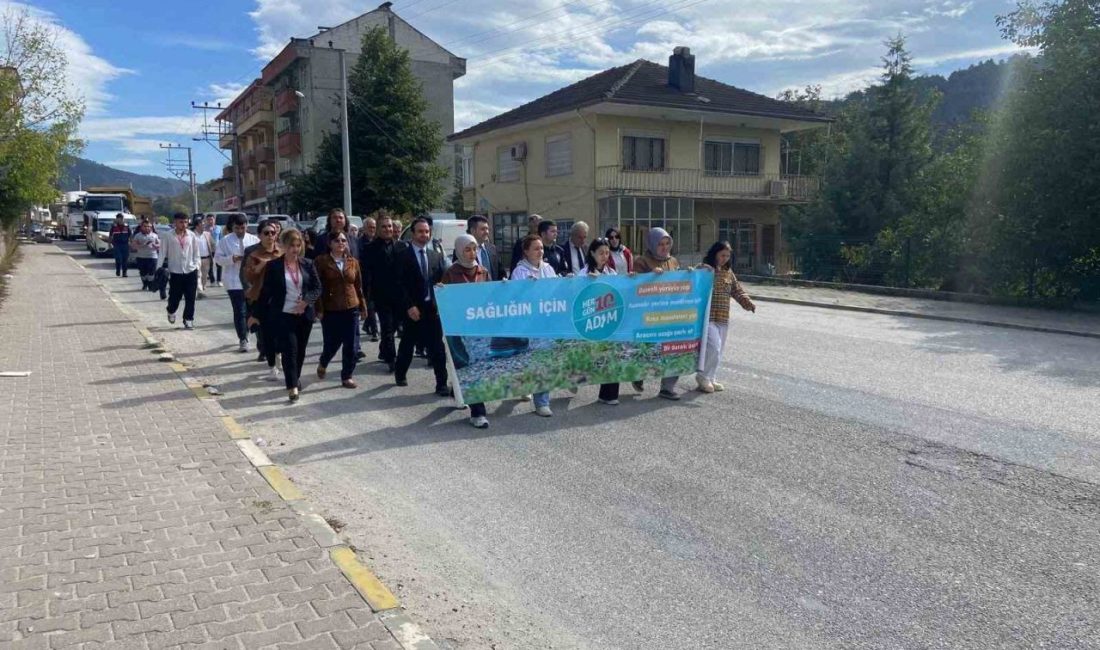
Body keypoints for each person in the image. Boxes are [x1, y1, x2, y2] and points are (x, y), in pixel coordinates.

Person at [256, 229, 322, 402]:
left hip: (304, 314)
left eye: (298, 245)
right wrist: (255, 314)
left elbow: (317, 288)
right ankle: (291, 385)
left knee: (300, 350)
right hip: (283, 315)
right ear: (283, 246)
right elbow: (265, 292)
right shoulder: (274, 266)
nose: (295, 249)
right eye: (291, 245)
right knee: (289, 350)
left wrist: (306, 302)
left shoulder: (308, 264)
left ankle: (295, 377)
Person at [392, 217, 448, 394]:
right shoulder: (402, 256)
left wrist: (441, 292)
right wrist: (409, 306)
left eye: (427, 232)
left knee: (438, 349)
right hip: (413, 310)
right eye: (420, 231)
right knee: (407, 344)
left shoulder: (435, 256)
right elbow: (398, 284)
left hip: (432, 309)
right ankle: (400, 373)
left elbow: (441, 280)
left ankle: (441, 384)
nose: (424, 235)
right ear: (413, 234)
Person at [443, 234, 491, 428]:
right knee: (465, 363)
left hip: (479, 329)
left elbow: (491, 296)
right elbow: (445, 299)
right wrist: (442, 291)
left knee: (476, 366)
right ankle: (477, 413)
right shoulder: (451, 272)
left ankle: (465, 395)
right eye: (467, 249)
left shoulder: (483, 271)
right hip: (458, 328)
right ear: (459, 251)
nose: (472, 254)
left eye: (474, 249)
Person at [632, 227, 686, 400]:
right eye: (660, 244)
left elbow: (680, 282)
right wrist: (649, 276)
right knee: (649, 350)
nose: (664, 248)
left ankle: (667, 387)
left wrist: (690, 274)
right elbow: (634, 285)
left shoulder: (674, 261)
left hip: (671, 314)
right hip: (650, 316)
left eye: (667, 244)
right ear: (652, 244)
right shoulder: (642, 261)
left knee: (673, 349)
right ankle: (638, 374)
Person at [510, 234, 559, 417]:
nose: (540, 252)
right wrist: (525, 289)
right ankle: (524, 384)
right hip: (527, 323)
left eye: (541, 248)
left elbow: (556, 291)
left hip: (545, 322)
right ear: (526, 251)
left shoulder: (548, 269)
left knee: (543, 360)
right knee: (526, 359)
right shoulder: (519, 272)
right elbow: (515, 298)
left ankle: (542, 402)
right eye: (536, 249)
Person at [697, 241, 756, 393]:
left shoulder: (728, 272)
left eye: (727, 256)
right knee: (714, 348)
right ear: (714, 254)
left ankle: (711, 377)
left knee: (720, 350)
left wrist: (747, 303)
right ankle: (702, 377)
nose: (725, 259)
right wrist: (700, 270)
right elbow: (690, 281)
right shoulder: (704, 269)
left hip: (722, 317)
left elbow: (737, 290)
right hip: (707, 318)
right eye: (722, 255)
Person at [315, 231, 367, 388]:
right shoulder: (321, 261)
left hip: (351, 307)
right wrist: (319, 308)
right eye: (337, 240)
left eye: (344, 240)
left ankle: (347, 376)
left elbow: (358, 285)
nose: (341, 243)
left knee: (351, 343)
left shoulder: (353, 262)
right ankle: (324, 361)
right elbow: (317, 287)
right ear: (330, 243)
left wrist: (363, 306)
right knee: (332, 343)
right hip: (331, 308)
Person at [361, 214, 406, 372]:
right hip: (380, 295)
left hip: (399, 295)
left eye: (390, 226)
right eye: (384, 227)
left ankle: (383, 349)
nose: (388, 229)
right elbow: (366, 275)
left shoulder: (401, 247)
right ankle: (392, 360)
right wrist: (366, 298)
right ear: (378, 229)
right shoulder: (369, 249)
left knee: (395, 325)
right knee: (387, 327)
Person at [584, 238, 623, 406]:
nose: (604, 256)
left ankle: (608, 394)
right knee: (593, 359)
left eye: (607, 253)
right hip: (591, 323)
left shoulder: (612, 273)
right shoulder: (584, 273)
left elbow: (621, 292)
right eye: (601, 253)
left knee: (612, 356)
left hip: (609, 320)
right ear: (592, 253)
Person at [243, 221, 284, 377]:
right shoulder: (254, 254)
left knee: (281, 331)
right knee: (266, 334)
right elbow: (248, 276)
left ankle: (278, 353)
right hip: (261, 298)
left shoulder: (282, 251)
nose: (270, 236)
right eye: (266, 233)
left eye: (273, 233)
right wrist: (262, 266)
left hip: (281, 298)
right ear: (259, 235)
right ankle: (272, 365)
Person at [214, 214, 259, 353]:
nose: (240, 231)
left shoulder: (254, 240)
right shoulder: (225, 241)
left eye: (243, 228)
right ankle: (243, 338)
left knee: (251, 311)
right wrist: (231, 259)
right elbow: (218, 259)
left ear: (247, 226)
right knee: (239, 310)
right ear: (232, 227)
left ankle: (257, 338)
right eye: (237, 228)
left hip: (251, 282)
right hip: (233, 281)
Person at [162, 212, 201, 329]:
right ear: (175, 222)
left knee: (191, 297)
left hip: (190, 270)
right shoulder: (168, 235)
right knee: (175, 297)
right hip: (175, 271)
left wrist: (196, 266)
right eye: (181, 222)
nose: (183, 224)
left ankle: (188, 320)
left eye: (185, 222)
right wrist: (159, 269)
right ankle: (171, 310)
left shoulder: (192, 235)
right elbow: (162, 253)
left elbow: (196, 252)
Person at [461, 215, 501, 280]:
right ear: (472, 231)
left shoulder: (493, 249)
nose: (487, 232)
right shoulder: (462, 250)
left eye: (487, 229)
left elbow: (501, 273)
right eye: (483, 229)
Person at [130, 219, 160, 290]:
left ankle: (150, 284)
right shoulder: (138, 235)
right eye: (145, 226)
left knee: (152, 272)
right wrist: (144, 244)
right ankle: (145, 283)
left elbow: (159, 244)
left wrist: (156, 246)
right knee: (143, 272)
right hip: (141, 257)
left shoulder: (155, 235)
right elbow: (134, 246)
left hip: (152, 256)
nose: (147, 228)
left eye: (149, 226)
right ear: (141, 227)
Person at [193, 219, 215, 297]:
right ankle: (200, 290)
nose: (204, 225)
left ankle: (202, 288)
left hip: (206, 259)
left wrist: (213, 252)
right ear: (197, 226)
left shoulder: (207, 234)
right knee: (198, 275)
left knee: (204, 276)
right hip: (196, 259)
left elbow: (213, 244)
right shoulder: (192, 235)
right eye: (202, 224)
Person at [205, 214, 223, 286]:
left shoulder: (219, 228)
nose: (210, 221)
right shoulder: (204, 228)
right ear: (206, 221)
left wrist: (222, 248)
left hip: (217, 248)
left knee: (219, 264)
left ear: (214, 220)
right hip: (208, 249)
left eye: (211, 219)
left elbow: (221, 238)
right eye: (208, 220)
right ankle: (212, 281)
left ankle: (219, 280)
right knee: (210, 265)